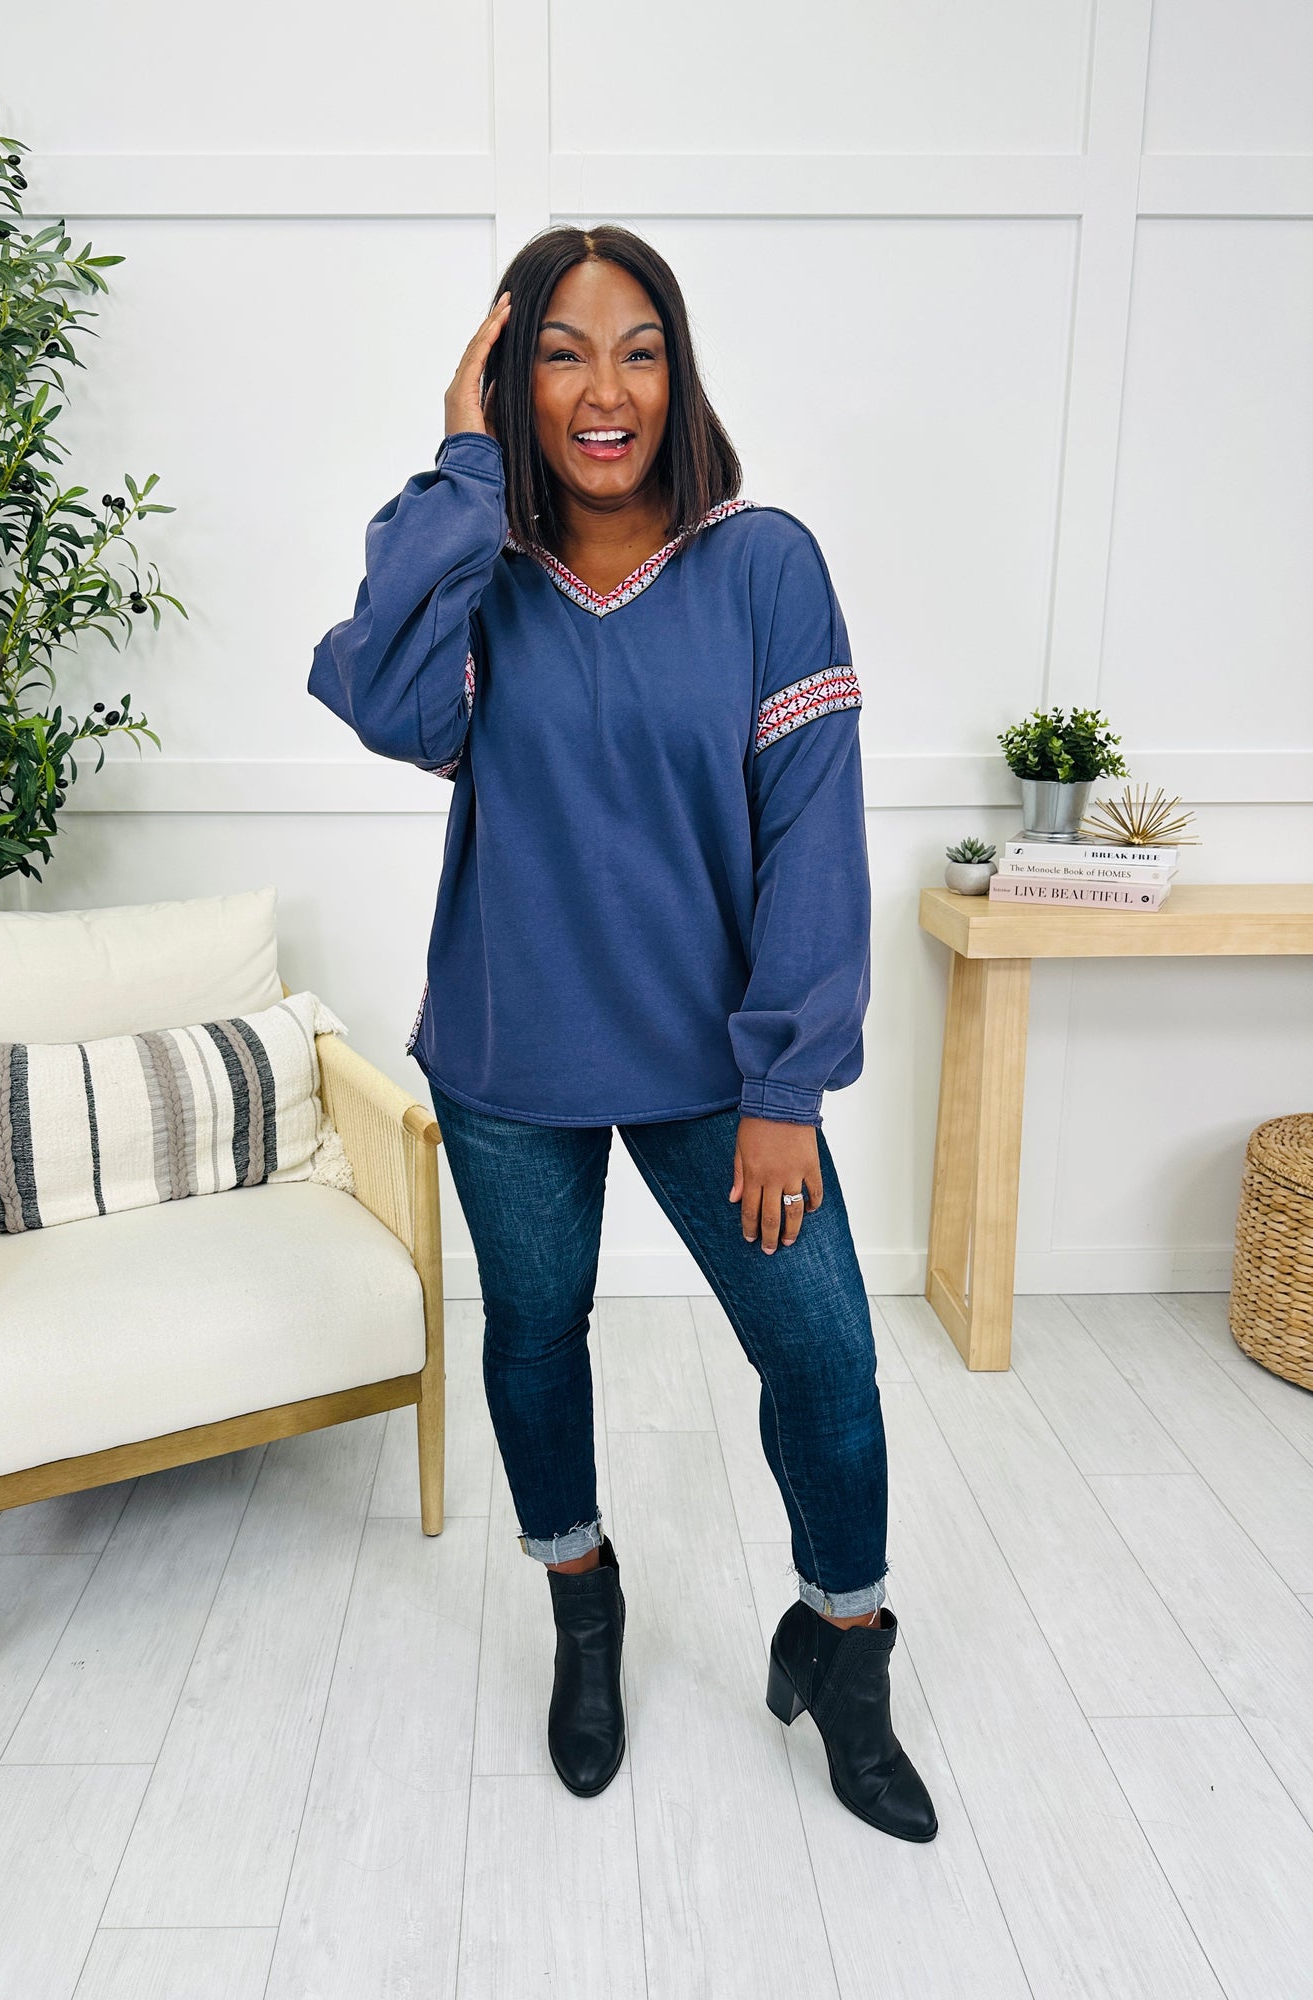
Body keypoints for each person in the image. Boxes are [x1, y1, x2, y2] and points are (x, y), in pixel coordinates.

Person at [308, 224, 937, 1842]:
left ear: (680, 372)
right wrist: (463, 465)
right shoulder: (481, 574)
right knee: (536, 1338)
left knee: (826, 1357)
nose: (606, 391)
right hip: (510, 1053)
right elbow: (380, 700)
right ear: (512, 381)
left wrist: (784, 1082)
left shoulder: (764, 566)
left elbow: (813, 833)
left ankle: (845, 1645)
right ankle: (583, 1608)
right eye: (562, 354)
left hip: (720, 1069)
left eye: (640, 351)